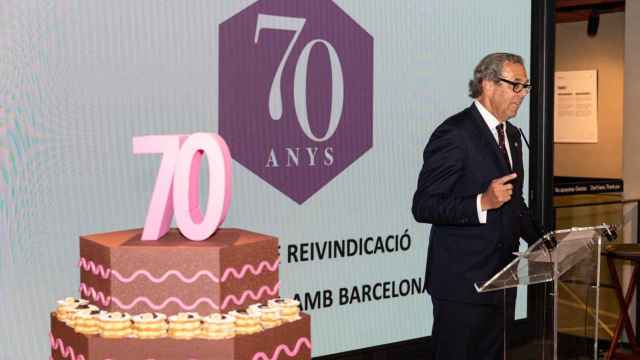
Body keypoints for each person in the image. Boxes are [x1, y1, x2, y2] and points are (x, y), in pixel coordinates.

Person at [411, 52, 540, 360]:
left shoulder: (511, 134)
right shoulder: (454, 133)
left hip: (502, 280)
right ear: (487, 84)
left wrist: (545, 244)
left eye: (526, 86)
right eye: (515, 85)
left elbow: (513, 203)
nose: (522, 94)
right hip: (461, 286)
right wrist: (481, 202)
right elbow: (424, 205)